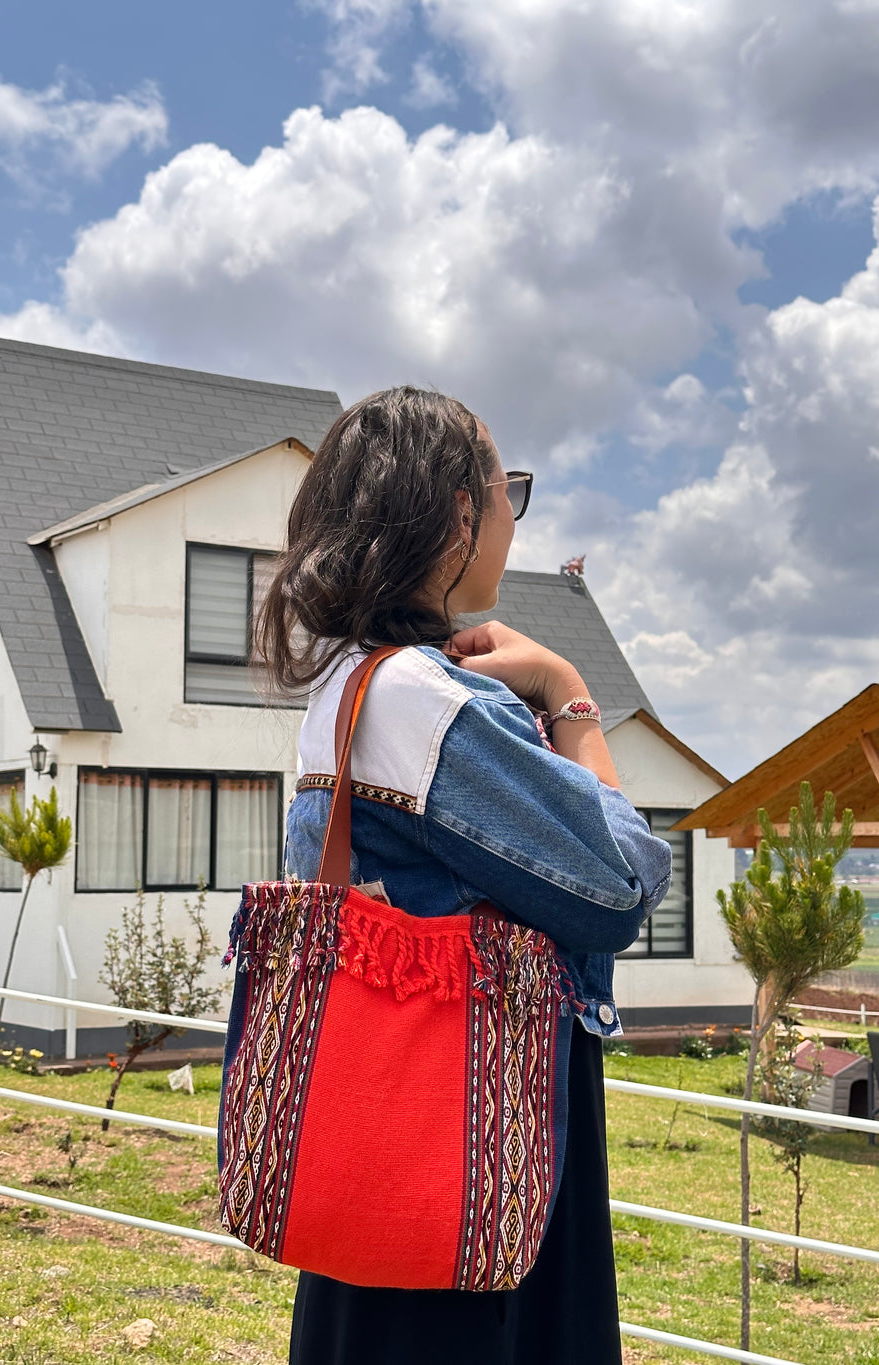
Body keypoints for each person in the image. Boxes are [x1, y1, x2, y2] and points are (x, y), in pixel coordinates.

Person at [254, 386, 673, 1365]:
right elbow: (624, 882)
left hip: (375, 1145)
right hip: (473, 1163)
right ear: (457, 511)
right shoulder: (429, 704)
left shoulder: (341, 687)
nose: (513, 518)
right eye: (508, 490)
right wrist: (567, 694)